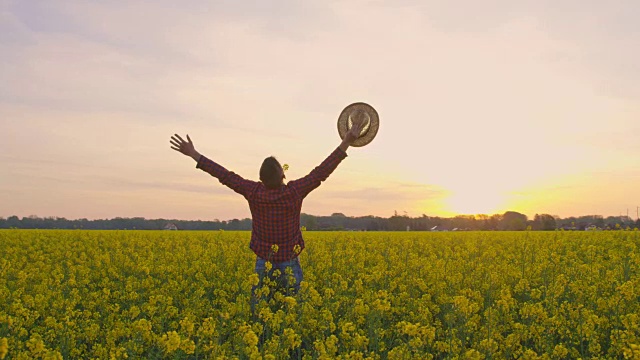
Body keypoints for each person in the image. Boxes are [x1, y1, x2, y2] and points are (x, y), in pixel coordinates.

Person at [169, 120, 365, 310]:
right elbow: (321, 172)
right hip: (289, 260)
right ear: (283, 176)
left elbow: (224, 175)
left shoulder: (254, 192)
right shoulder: (293, 193)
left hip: (264, 260)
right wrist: (346, 142)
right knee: (295, 309)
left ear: (261, 179)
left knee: (259, 308)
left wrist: (194, 154)